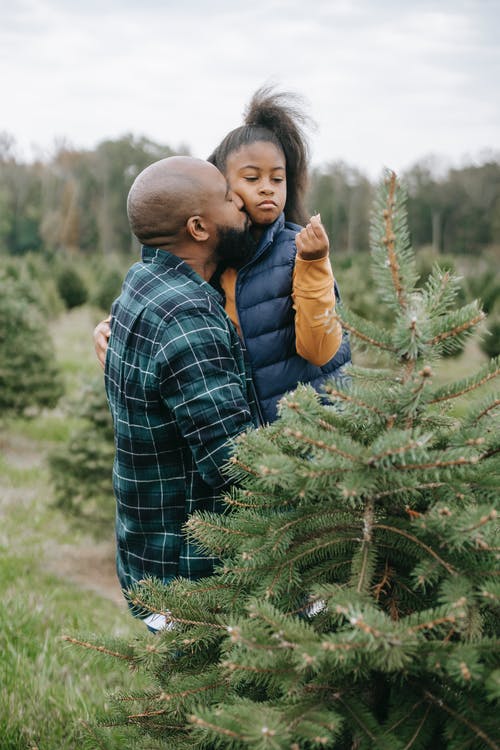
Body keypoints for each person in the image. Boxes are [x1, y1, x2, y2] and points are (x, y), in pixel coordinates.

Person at [95, 86, 351, 423]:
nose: (266, 187)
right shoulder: (214, 253)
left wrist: (315, 264)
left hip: (310, 439)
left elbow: (320, 350)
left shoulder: (298, 251)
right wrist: (111, 329)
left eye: (278, 178)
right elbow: (166, 303)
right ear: (222, 187)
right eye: (251, 178)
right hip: (250, 448)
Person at [104, 155, 259, 630]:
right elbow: (234, 462)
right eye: (231, 200)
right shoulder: (186, 316)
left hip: (149, 559)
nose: (245, 206)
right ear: (198, 227)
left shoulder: (141, 282)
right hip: (193, 579)